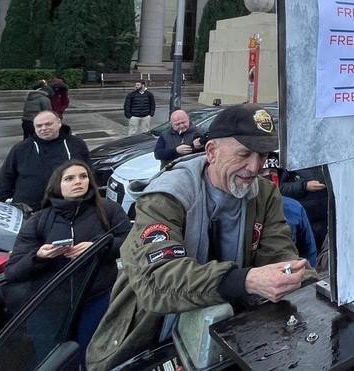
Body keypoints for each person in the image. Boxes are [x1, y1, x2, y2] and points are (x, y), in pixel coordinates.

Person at [86, 103, 310, 371]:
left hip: (232, 334)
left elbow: (280, 256)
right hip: (152, 337)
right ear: (212, 151)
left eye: (262, 156)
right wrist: (245, 280)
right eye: (244, 154)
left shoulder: (264, 194)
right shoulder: (165, 197)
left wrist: (306, 283)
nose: (255, 167)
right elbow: (158, 281)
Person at [4, 160, 129, 351]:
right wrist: (39, 256)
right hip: (50, 307)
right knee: (54, 358)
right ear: (57, 185)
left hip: (96, 301)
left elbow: (131, 243)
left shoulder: (108, 210)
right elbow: (13, 271)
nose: (78, 182)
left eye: (83, 176)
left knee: (94, 356)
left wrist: (100, 246)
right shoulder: (40, 220)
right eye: (69, 178)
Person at [0, 111, 91, 213]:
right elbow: (5, 178)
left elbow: (89, 174)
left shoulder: (77, 144)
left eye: (48, 124)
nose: (44, 128)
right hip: (30, 211)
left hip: (67, 209)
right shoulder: (21, 148)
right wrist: (3, 203)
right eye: (39, 126)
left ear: (59, 123)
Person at [259, 155, 319, 267]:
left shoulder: (294, 208)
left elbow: (308, 252)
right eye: (261, 173)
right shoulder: (241, 210)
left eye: (272, 172)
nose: (268, 177)